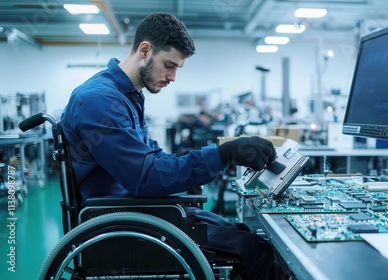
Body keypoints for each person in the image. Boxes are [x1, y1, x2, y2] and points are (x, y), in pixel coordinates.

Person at [60, 12, 279, 279]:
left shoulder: (128, 96)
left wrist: (199, 168)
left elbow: (155, 159)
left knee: (241, 232)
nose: (173, 77)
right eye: (169, 65)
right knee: (256, 250)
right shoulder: (100, 100)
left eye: (178, 68)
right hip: (123, 223)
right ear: (145, 50)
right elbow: (145, 175)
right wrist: (223, 154)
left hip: (142, 210)